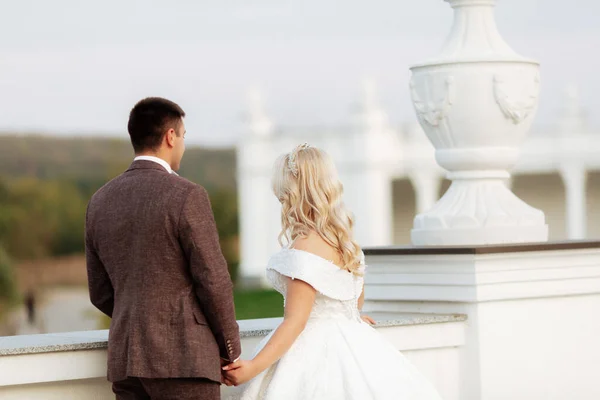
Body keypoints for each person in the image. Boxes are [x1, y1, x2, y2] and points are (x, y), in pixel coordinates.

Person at [222, 143, 443, 400]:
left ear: (295, 195)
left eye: (282, 197)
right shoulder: (346, 242)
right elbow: (354, 301)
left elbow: (295, 322)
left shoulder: (304, 247)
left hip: (312, 353)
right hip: (356, 342)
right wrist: (351, 318)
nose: (281, 203)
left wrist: (253, 367)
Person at [85, 97, 241, 400]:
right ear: (170, 136)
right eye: (183, 136)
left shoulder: (99, 201)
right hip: (185, 361)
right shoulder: (187, 195)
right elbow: (213, 280)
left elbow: (100, 293)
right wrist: (230, 348)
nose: (182, 144)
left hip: (127, 362)